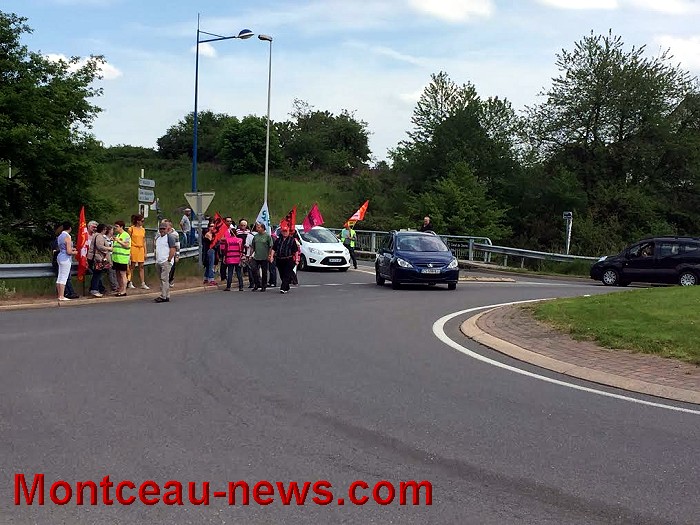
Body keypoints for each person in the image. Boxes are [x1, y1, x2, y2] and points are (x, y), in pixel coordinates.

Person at [51, 224, 79, 299]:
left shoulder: (60, 236)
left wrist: (71, 249)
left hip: (60, 257)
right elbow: (68, 251)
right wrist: (75, 252)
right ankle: (62, 296)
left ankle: (59, 295)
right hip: (65, 258)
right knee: (64, 277)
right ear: (70, 228)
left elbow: (63, 247)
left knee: (60, 277)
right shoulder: (67, 236)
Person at [271, 225, 299, 294]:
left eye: (286, 231)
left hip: (288, 259)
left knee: (287, 273)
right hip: (280, 259)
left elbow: (296, 251)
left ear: (288, 232)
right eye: (283, 231)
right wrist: (271, 257)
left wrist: (297, 259)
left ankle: (283, 288)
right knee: (282, 274)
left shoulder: (292, 240)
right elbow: (274, 249)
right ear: (281, 232)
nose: (285, 233)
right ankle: (286, 287)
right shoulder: (278, 240)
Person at [153, 220, 176, 303]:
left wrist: (169, 259)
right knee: (162, 279)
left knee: (164, 279)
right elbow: (156, 249)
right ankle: (167, 295)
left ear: (167, 229)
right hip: (159, 261)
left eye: (163, 229)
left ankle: (163, 296)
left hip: (165, 262)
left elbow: (173, 249)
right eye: (161, 229)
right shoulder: (158, 238)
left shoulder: (169, 238)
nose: (162, 230)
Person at [88, 223, 112, 297]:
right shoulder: (99, 236)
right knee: (97, 274)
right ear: (103, 230)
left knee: (97, 274)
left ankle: (95, 288)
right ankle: (94, 289)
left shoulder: (96, 235)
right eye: (105, 229)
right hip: (98, 258)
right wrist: (109, 248)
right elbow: (100, 246)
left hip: (96, 257)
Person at [127, 214, 149, 290]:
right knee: (132, 266)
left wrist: (145, 252)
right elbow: (128, 240)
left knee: (141, 266)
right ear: (137, 221)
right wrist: (129, 251)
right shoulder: (131, 229)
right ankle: (130, 282)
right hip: (133, 247)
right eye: (142, 221)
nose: (143, 222)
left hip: (141, 248)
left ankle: (143, 283)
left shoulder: (143, 229)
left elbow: (144, 241)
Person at [250, 222, 273, 292]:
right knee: (254, 270)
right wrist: (251, 255)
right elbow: (253, 246)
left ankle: (264, 285)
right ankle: (256, 284)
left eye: (259, 227)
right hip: (256, 256)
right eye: (257, 227)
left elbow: (270, 246)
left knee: (264, 272)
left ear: (263, 228)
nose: (257, 229)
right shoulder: (255, 236)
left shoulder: (267, 236)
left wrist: (269, 255)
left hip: (264, 257)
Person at [112, 220, 131, 296]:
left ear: (121, 227)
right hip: (116, 258)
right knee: (117, 274)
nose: (115, 228)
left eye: (117, 226)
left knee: (123, 274)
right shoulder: (118, 235)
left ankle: (124, 290)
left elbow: (127, 245)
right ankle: (120, 288)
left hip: (122, 259)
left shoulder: (126, 235)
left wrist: (118, 241)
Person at [202, 221, 218, 286]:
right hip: (209, 250)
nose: (212, 228)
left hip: (213, 250)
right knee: (211, 265)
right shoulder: (208, 234)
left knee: (209, 265)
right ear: (208, 227)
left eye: (213, 226)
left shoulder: (214, 234)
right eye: (211, 226)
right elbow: (211, 242)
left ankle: (206, 278)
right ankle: (211, 279)